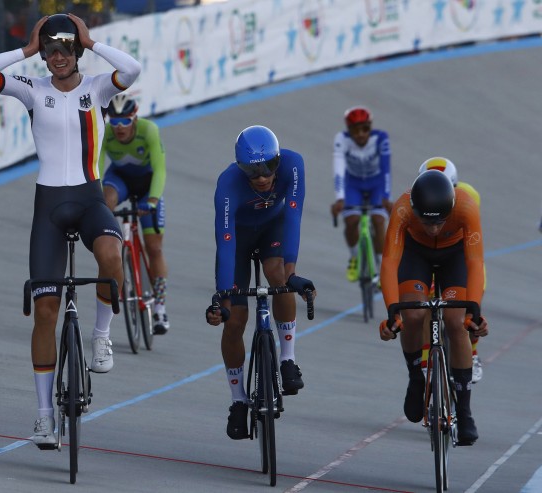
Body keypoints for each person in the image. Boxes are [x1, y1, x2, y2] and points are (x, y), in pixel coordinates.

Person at [0, 13, 141, 449]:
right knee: (45, 312)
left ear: (77, 51)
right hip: (49, 206)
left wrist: (92, 39)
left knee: (111, 254)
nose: (57, 57)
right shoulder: (32, 89)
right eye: (50, 51)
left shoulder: (97, 87)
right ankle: (44, 415)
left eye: (65, 50)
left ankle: (101, 337)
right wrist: (26, 50)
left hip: (88, 199)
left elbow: (132, 70)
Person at [205, 125, 316, 440]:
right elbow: (225, 242)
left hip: (273, 230)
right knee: (235, 320)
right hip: (237, 240)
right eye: (253, 171)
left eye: (269, 167)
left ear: (278, 159)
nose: (263, 176)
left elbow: (293, 217)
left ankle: (288, 359)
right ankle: (238, 401)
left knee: (278, 276)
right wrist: (223, 299)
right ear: (241, 169)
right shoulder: (228, 183)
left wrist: (292, 275)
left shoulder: (293, 165)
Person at [379, 169, 489, 446]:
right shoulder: (402, 209)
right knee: (413, 314)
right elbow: (390, 263)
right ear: (414, 208)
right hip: (416, 254)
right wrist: (392, 311)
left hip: (455, 256)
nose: (434, 228)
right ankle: (416, 377)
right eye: (427, 222)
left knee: (456, 323)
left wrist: (473, 309)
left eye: (440, 221)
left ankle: (464, 412)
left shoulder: (465, 207)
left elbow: (475, 263)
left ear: (450, 208)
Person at [99, 93, 170, 334]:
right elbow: (97, 168)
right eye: (114, 122)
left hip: (148, 184)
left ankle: (160, 306)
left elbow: (160, 170)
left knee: (155, 248)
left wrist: (151, 201)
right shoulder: (106, 133)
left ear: (135, 119)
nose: (119, 128)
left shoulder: (149, 130)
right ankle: (114, 250)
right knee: (103, 201)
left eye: (124, 122)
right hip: (119, 180)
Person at [417, 157, 484, 383]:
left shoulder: (469, 197)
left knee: (471, 301)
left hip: (461, 252)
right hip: (429, 254)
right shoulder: (419, 198)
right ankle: (426, 362)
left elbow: (472, 247)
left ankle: (472, 352)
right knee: (425, 301)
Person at [330, 106, 392, 282]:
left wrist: (386, 197)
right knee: (351, 220)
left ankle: (381, 268)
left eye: (365, 129)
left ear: (370, 127)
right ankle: (354, 257)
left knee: (379, 220)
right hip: (354, 184)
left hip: (376, 184)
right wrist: (340, 198)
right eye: (355, 130)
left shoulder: (381, 138)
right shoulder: (341, 139)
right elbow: (339, 169)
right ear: (348, 130)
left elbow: (386, 169)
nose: (360, 134)